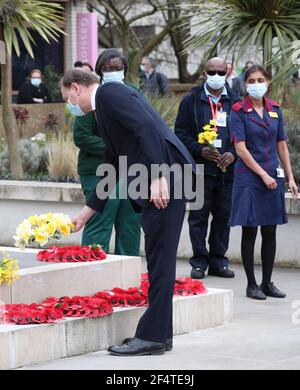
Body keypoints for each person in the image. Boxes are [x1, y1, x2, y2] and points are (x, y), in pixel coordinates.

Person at [60, 68, 197, 356]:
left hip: (166, 179)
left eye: (67, 99)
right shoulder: (103, 109)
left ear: (76, 88)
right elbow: (113, 162)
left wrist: (159, 177)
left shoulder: (109, 93)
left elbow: (145, 128)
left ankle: (152, 338)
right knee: (159, 260)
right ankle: (160, 335)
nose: (71, 106)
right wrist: (86, 213)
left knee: (160, 261)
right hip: (164, 177)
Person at [229, 64, 298, 300]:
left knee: (270, 230)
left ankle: (267, 282)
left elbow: (282, 145)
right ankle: (251, 285)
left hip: (273, 176)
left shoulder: (275, 109)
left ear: (267, 82)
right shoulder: (238, 110)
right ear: (245, 84)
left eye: (261, 80)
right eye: (252, 81)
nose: (257, 84)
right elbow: (240, 149)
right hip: (250, 177)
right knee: (250, 230)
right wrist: (263, 175)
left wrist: (290, 177)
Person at [73, 50, 141, 255]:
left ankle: (127, 279)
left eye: (118, 68)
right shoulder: (94, 95)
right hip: (98, 169)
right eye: (108, 68)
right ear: (99, 70)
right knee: (99, 223)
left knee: (130, 225)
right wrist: (118, 148)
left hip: (131, 171)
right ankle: (91, 274)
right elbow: (82, 137)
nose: (113, 71)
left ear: (125, 70)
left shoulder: (133, 92)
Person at [175, 57, 237, 280]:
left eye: (221, 73)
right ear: (204, 72)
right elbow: (180, 135)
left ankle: (219, 261)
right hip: (200, 171)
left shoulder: (236, 101)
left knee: (223, 218)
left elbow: (243, 136)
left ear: (227, 73)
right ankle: (199, 262)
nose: (217, 77)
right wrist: (200, 150)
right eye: (212, 72)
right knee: (198, 218)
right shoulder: (191, 101)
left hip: (227, 172)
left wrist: (233, 153)